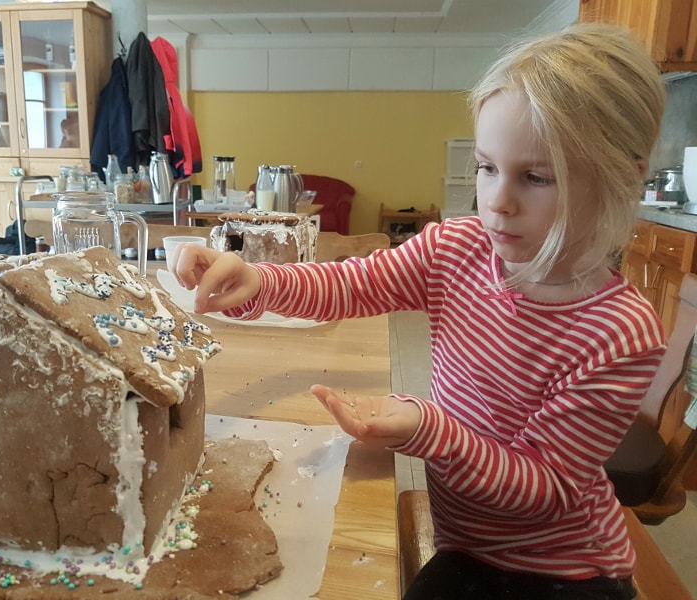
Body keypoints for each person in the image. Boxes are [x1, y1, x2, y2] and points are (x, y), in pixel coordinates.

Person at [171, 23, 666, 600]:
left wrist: (431, 429)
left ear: (620, 179)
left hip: (556, 567)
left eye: (536, 177)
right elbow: (348, 286)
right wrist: (259, 280)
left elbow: (545, 488)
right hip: (465, 540)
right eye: (486, 167)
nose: (497, 202)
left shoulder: (620, 332)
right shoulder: (455, 249)